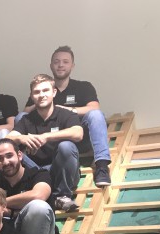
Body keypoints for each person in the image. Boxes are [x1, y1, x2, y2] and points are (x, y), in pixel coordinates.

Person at [23, 46, 111, 187]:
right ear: (51, 65)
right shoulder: (44, 89)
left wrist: (69, 110)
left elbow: (94, 107)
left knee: (96, 115)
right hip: (51, 142)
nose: (60, 65)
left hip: (79, 138)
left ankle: (102, 167)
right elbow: (26, 111)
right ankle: (25, 166)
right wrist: (45, 99)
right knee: (21, 117)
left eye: (65, 61)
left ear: (72, 65)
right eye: (56, 62)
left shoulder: (83, 86)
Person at [7, 74, 83, 212]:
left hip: (63, 172)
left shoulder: (65, 114)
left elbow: (78, 133)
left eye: (45, 90)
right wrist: (22, 138)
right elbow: (8, 138)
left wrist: (46, 137)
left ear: (54, 92)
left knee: (66, 146)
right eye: (37, 92)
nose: (41, 95)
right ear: (32, 96)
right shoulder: (27, 120)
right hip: (38, 173)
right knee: (11, 149)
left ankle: (62, 196)